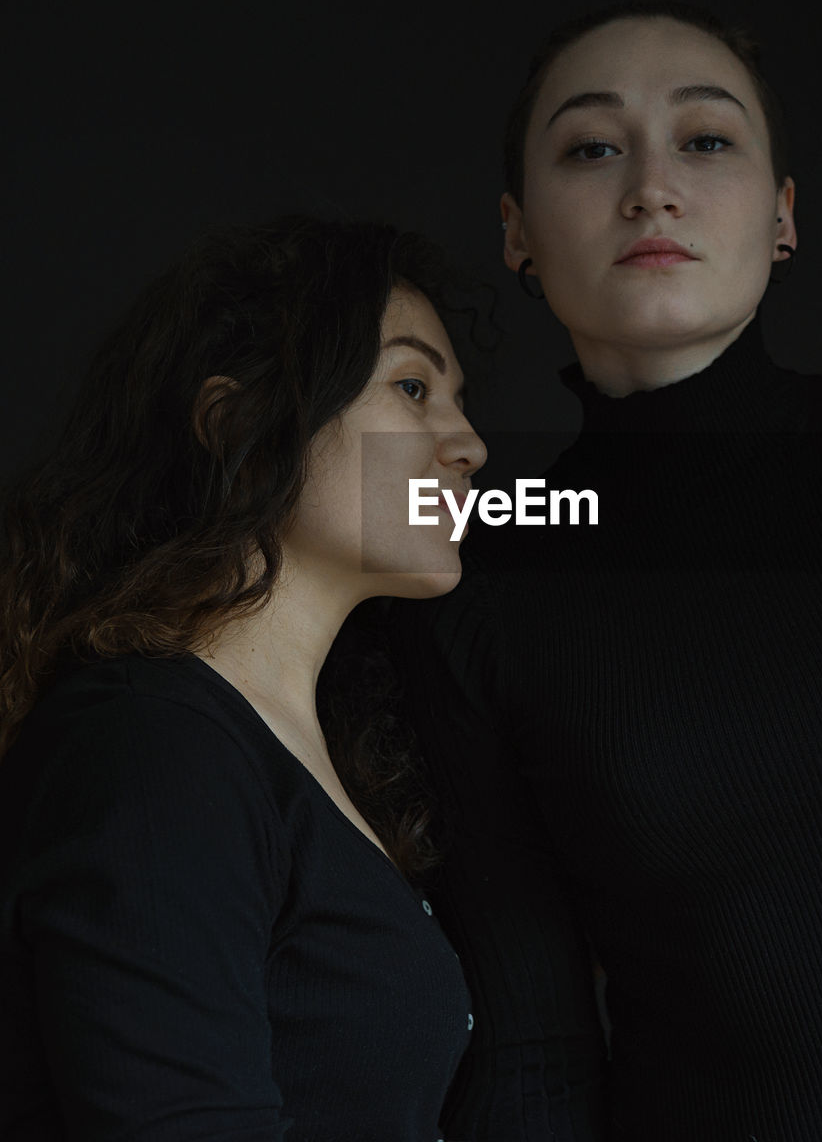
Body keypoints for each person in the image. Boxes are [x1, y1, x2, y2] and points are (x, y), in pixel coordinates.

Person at [388, 0, 822, 1140]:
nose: (650, 187)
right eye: (592, 148)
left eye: (707, 140)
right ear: (517, 233)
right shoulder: (481, 561)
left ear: (783, 217)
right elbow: (536, 1043)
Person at [0, 213, 487, 1141]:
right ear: (244, 430)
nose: (468, 443)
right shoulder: (153, 751)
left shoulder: (300, 755)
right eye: (414, 386)